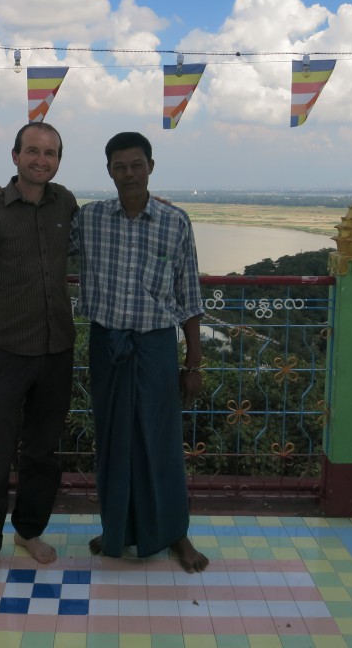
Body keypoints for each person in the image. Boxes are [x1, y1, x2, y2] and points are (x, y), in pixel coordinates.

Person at [71, 131, 209, 573]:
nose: (128, 174)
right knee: (112, 440)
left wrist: (193, 364)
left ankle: (175, 535)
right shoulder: (89, 219)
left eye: (136, 165)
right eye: (119, 166)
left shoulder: (175, 222)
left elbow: (189, 297)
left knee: (161, 442)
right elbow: (44, 238)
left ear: (151, 166)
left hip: (155, 347)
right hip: (106, 343)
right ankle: (118, 529)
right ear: (108, 171)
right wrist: (1, 197)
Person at [0, 121, 78, 579]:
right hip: (7, 349)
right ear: (15, 156)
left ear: (58, 160)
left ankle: (29, 530)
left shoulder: (65, 202)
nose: (40, 160)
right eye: (32, 151)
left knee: (43, 452)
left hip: (57, 350)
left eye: (50, 153)